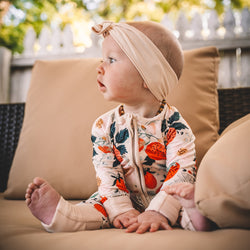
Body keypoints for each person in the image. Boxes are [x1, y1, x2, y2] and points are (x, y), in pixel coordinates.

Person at [25, 20, 213, 233]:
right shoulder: (104, 126)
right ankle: (62, 215)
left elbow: (181, 170)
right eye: (102, 59)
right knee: (96, 206)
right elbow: (107, 173)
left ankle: (197, 214)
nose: (100, 68)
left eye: (111, 60)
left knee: (183, 200)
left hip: (167, 199)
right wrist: (120, 210)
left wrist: (158, 211)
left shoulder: (175, 125)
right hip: (122, 199)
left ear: (147, 76)